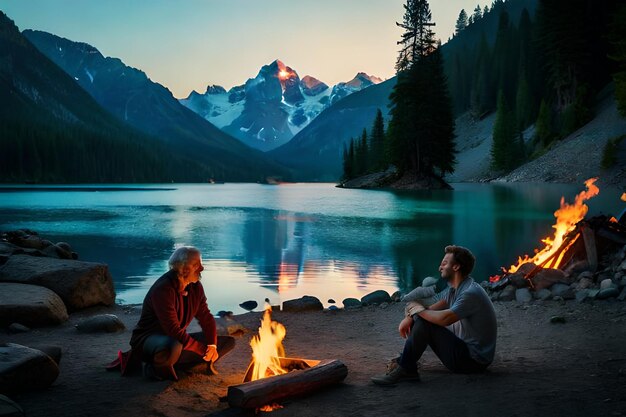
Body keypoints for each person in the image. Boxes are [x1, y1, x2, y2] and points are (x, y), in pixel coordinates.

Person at [371, 245, 497, 385]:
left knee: (425, 322)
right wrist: (410, 316)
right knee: (423, 317)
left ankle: (406, 368)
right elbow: (430, 309)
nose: (440, 268)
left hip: (473, 362)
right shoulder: (455, 290)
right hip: (465, 352)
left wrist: (416, 311)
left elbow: (445, 319)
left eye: (444, 263)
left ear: (456, 267)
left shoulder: (470, 293)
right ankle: (407, 366)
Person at [111, 246, 235, 380]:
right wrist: (201, 349)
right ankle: (153, 367)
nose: (202, 268)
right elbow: (173, 330)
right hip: (148, 341)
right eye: (196, 265)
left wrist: (211, 345)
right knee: (174, 345)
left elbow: (205, 316)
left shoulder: (195, 287)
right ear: (183, 268)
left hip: (176, 340)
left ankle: (173, 363)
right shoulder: (163, 289)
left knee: (227, 342)